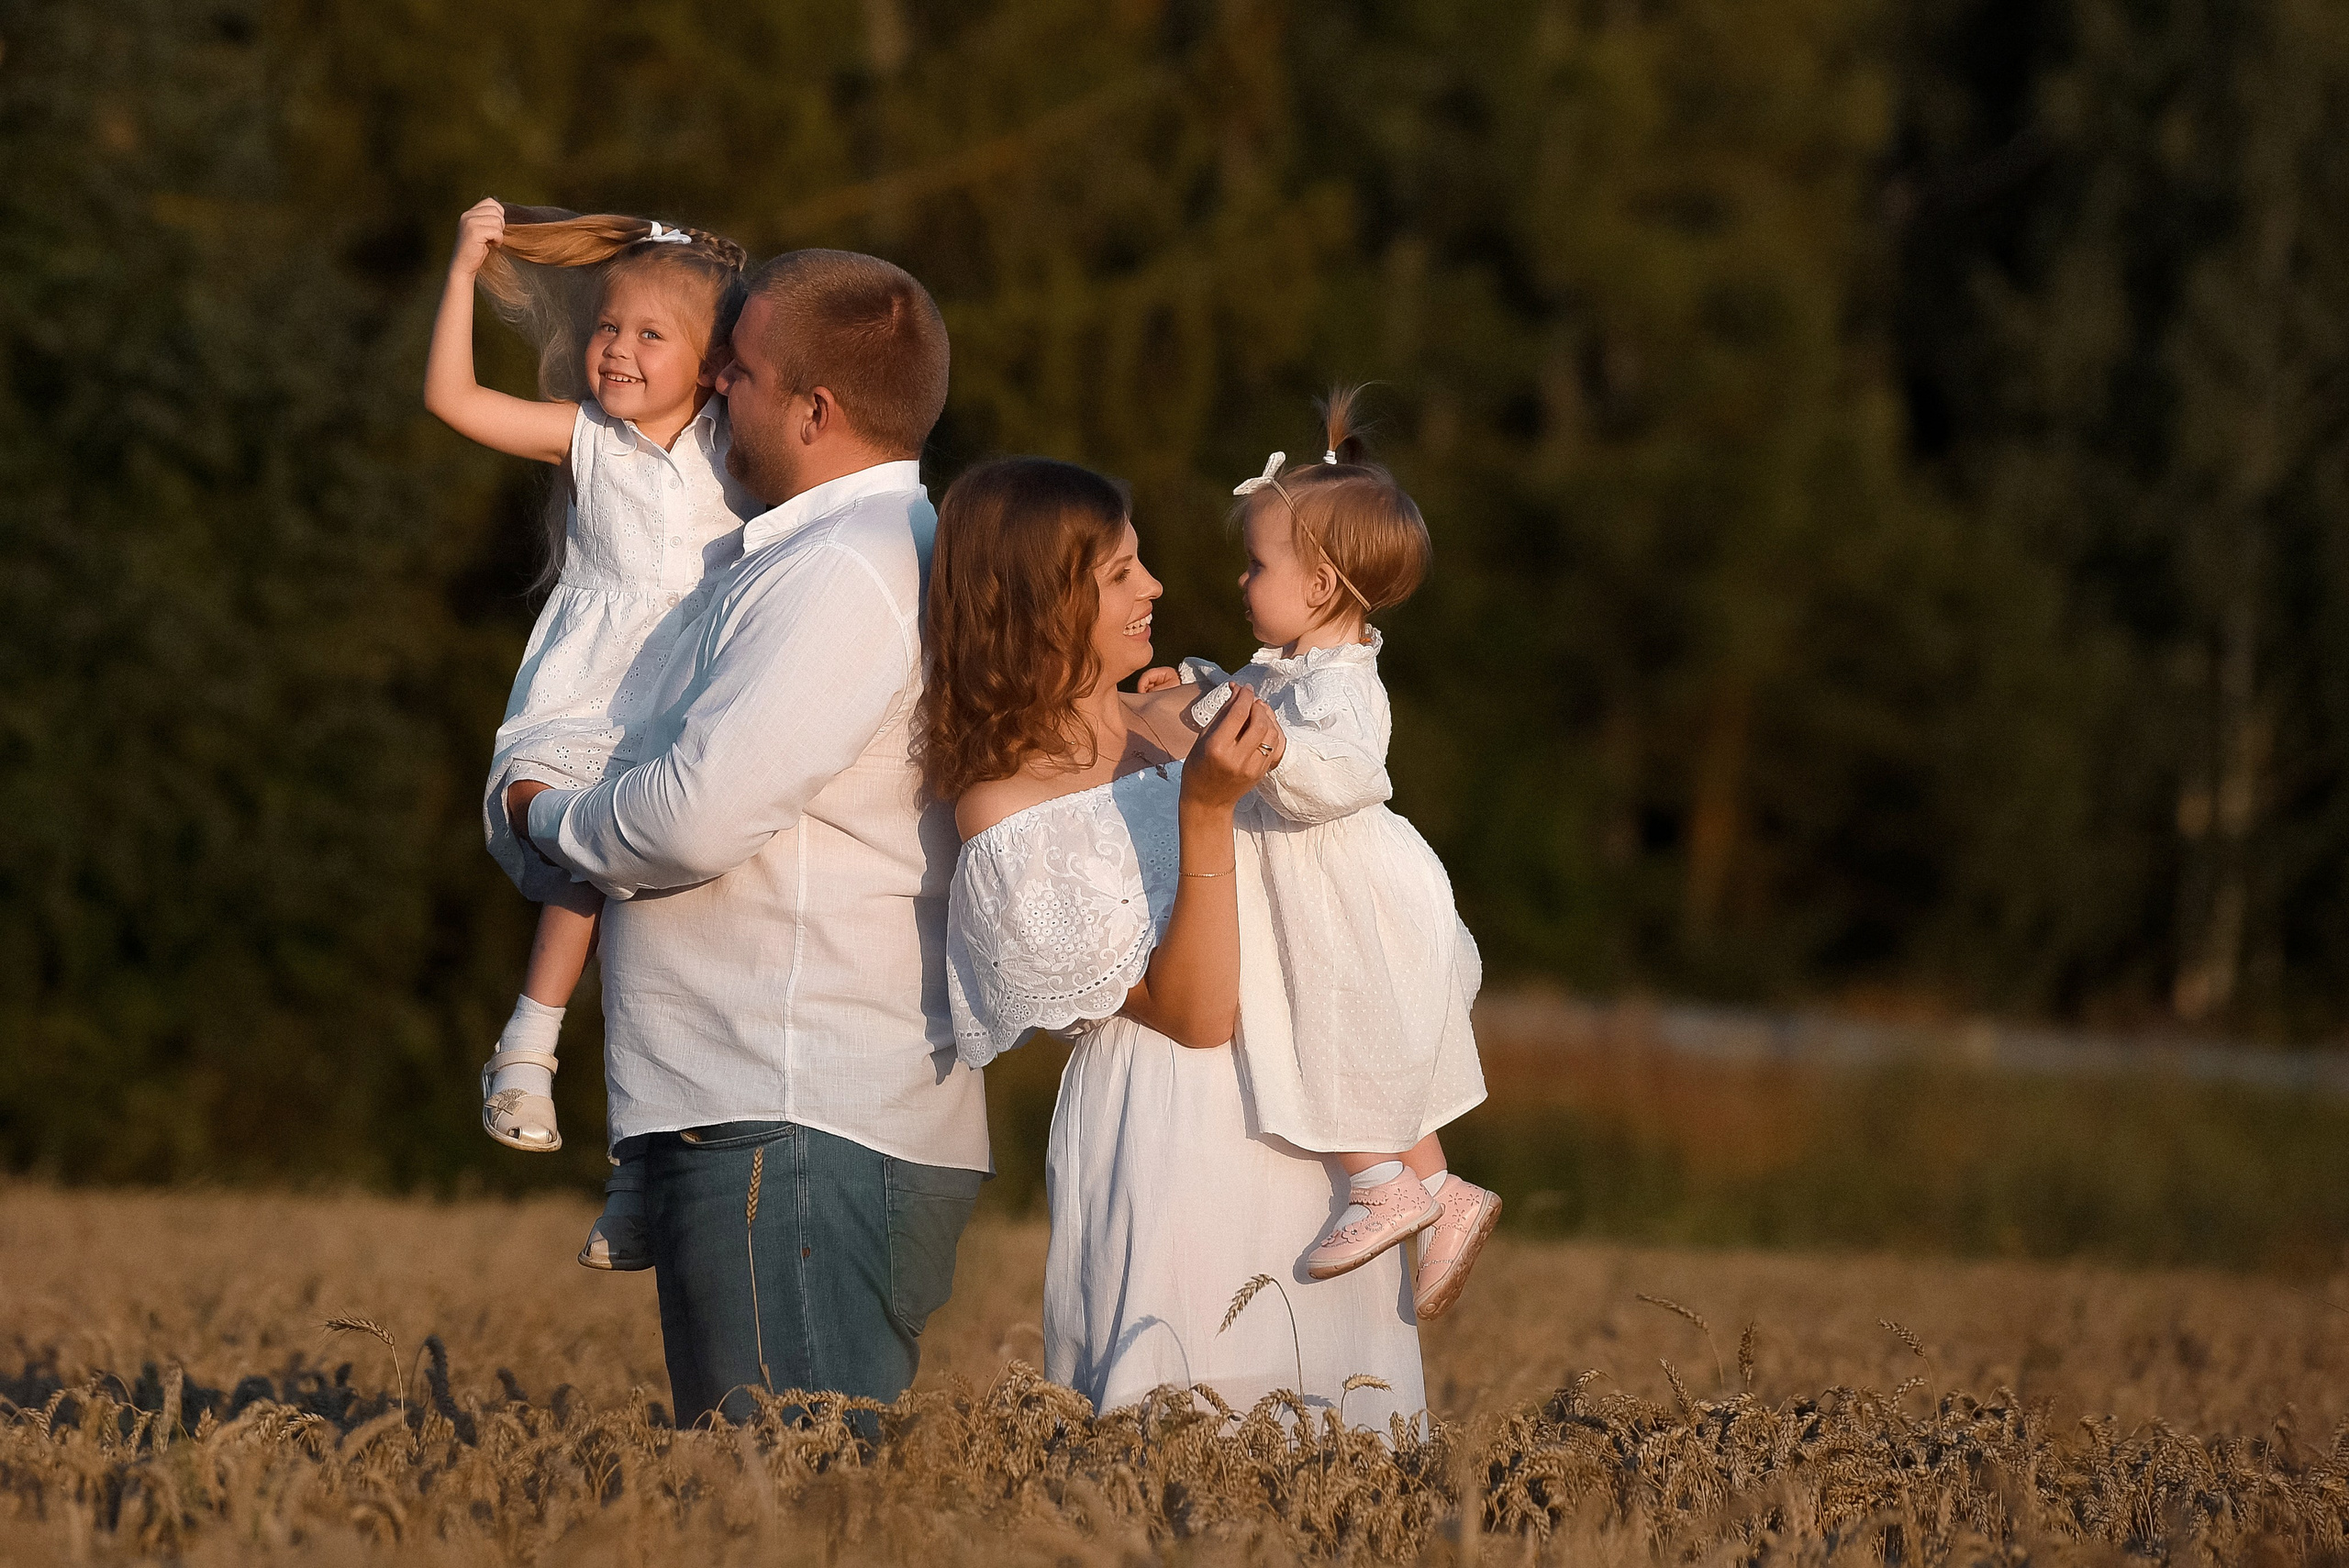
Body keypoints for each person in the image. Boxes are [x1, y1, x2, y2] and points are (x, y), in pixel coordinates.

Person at [504, 249, 986, 1426]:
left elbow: (691, 815)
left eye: (744, 370)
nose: (716, 385)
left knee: (788, 1496)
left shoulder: (841, 572)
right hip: (773, 1105)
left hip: (790, 1117)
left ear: (815, 411)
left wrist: (539, 811)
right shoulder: (823, 556)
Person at [922, 457, 1427, 1427]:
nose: (1155, 585)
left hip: (1314, 1113)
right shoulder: (1005, 805)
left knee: (1344, 1434)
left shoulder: (1187, 709)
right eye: (1119, 573)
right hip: (1179, 1134)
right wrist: (1203, 808)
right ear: (1038, 602)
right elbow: (1194, 1015)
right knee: (1187, 1427)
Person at [422, 197, 758, 1273]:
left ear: (713, 367)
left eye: (651, 335)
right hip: (590, 699)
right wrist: (467, 266)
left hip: (693, 697)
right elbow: (451, 397)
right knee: (580, 848)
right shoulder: (586, 437)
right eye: (608, 327)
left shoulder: (737, 452)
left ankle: (636, 1169)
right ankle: (526, 1043)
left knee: (669, 936)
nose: (617, 348)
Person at [1136, 390, 1497, 1320]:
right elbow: (1252, 697)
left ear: (1323, 585)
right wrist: (1208, 685)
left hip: (1339, 890)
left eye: (1257, 566)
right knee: (1372, 1042)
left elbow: (1335, 769)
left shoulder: (1346, 684)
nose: (1242, 584)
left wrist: (1253, 735)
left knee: (1324, 1027)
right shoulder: (1290, 663)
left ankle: (1381, 1184)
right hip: (1314, 882)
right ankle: (1445, 1190)